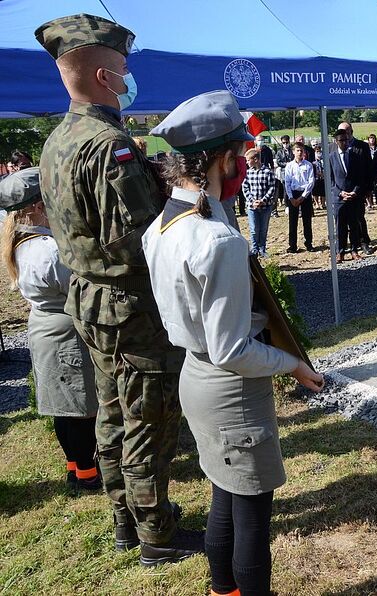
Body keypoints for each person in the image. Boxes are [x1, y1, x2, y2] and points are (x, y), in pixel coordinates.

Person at [143, 90, 325, 596]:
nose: (245, 161)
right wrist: (292, 364)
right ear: (223, 159)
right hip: (232, 388)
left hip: (196, 376)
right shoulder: (217, 240)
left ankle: (222, 589)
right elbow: (232, 349)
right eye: (240, 153)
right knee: (251, 516)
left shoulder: (164, 224)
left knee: (224, 495)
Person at [34, 13, 200, 563]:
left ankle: (125, 520)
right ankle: (157, 534)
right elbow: (139, 241)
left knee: (112, 411)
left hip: (90, 299)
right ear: (105, 77)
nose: (129, 79)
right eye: (124, 69)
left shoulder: (58, 140)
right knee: (148, 418)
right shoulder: (110, 146)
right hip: (130, 305)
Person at [0, 168, 100, 493]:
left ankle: (75, 467)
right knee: (82, 407)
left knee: (62, 405)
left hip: (44, 328)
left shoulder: (22, 241)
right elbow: (79, 287)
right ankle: (87, 474)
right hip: (65, 331)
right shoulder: (48, 249)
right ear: (38, 206)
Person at [330, 128, 367, 261]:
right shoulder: (331, 158)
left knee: (354, 225)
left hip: (353, 197)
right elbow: (330, 181)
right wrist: (340, 193)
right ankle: (340, 251)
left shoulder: (355, 156)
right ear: (336, 141)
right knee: (340, 227)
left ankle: (354, 250)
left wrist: (355, 192)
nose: (345, 143)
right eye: (342, 140)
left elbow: (360, 177)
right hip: (339, 198)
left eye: (346, 140)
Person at [337, 122, 374, 255]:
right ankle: (344, 247)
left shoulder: (362, 146)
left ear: (351, 132)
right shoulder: (332, 147)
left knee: (359, 217)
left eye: (345, 132)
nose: (343, 136)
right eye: (340, 132)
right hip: (341, 191)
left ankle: (363, 242)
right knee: (342, 220)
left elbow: (369, 168)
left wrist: (368, 188)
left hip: (358, 189)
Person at [241, 148, 276, 257]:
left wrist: (263, 200)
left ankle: (262, 249)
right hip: (252, 207)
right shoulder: (248, 173)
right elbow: (245, 188)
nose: (247, 162)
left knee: (263, 229)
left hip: (265, 206)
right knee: (254, 229)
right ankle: (255, 249)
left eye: (248, 160)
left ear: (255, 159)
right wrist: (252, 201)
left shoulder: (268, 172)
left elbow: (272, 188)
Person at [284, 142, 316, 252]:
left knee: (307, 220)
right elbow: (287, 182)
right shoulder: (289, 166)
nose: (300, 152)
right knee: (293, 222)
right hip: (293, 194)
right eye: (297, 150)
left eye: (301, 150)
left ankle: (309, 243)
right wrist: (291, 198)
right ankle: (292, 245)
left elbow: (311, 182)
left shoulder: (308, 165)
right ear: (293, 152)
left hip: (305, 195)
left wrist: (303, 197)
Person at [312, 144, 326, 210]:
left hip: (323, 178)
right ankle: (317, 204)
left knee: (323, 191)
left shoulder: (324, 160)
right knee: (315, 191)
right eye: (317, 152)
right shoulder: (313, 161)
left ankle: (323, 204)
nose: (319, 153)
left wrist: (323, 174)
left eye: (320, 151)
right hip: (315, 178)